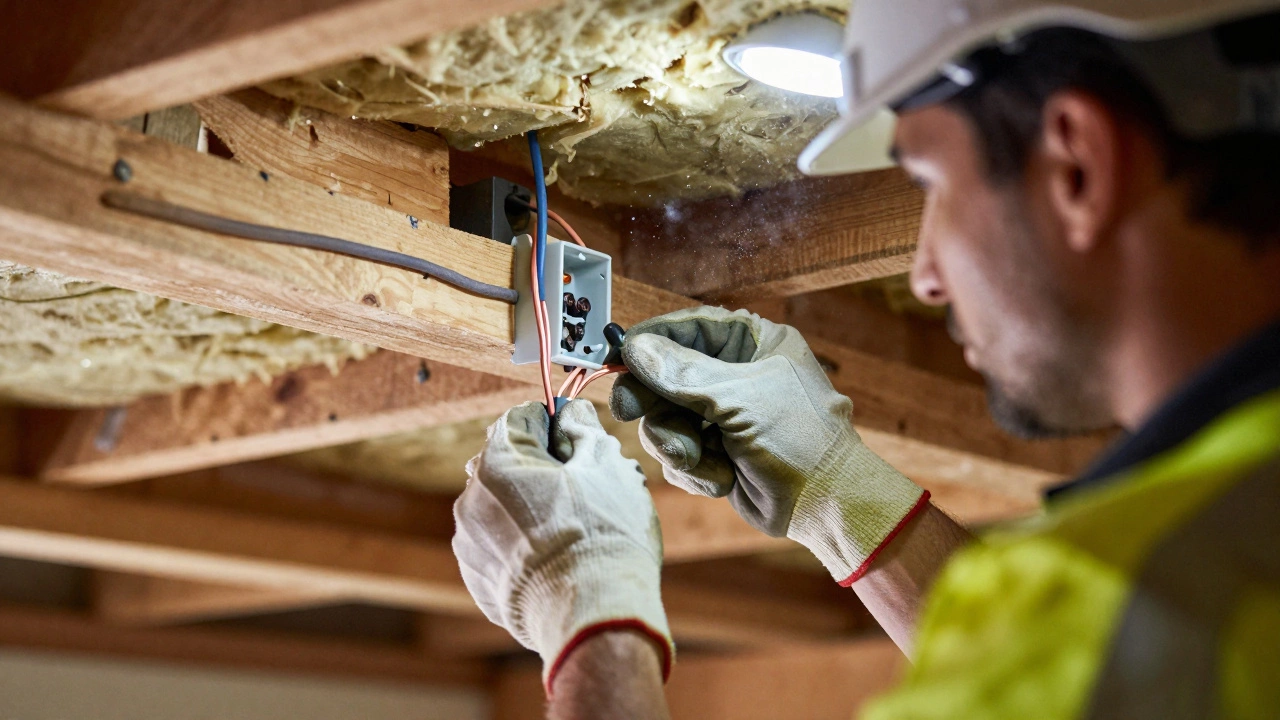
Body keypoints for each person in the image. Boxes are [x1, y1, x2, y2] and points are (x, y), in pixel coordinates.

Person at [451, 1, 1280, 717]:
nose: (921, 276)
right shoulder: (1210, 570)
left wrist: (589, 617)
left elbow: (1084, 649)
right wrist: (836, 490)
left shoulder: (1145, 603)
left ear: (1078, 165)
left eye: (929, 186)